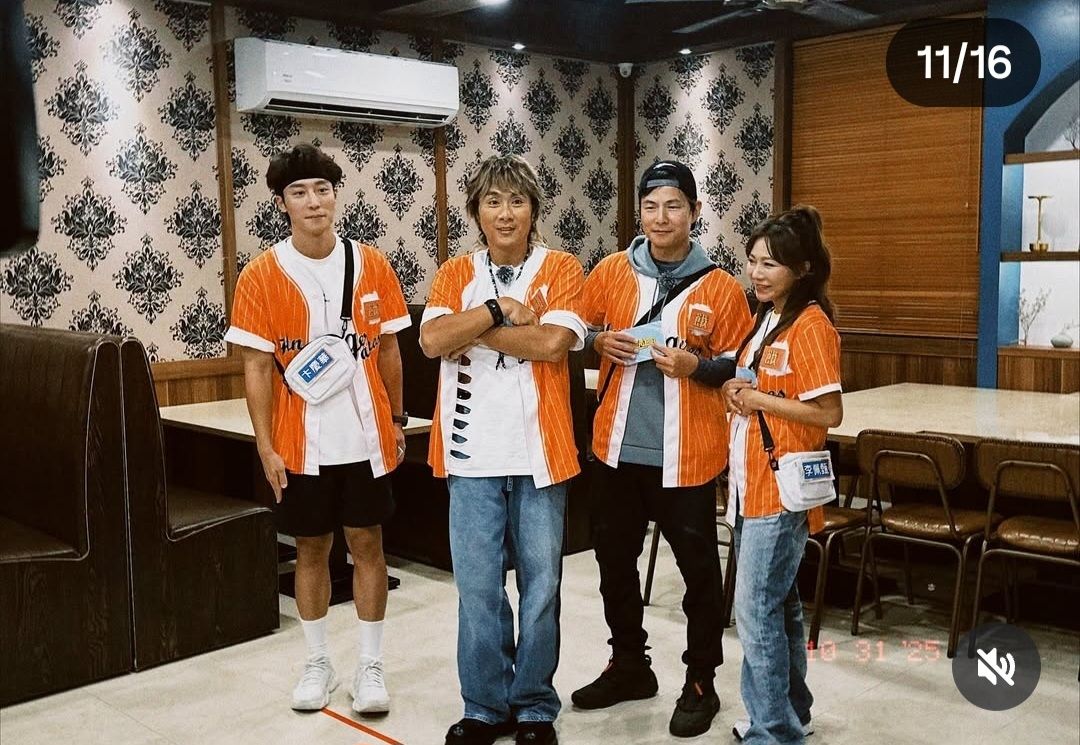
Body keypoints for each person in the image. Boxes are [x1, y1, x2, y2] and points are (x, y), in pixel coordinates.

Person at [225, 144, 410, 714]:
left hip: (366, 437)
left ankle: (370, 665)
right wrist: (265, 447)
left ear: (336, 196)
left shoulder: (372, 264)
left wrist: (397, 420)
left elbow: (389, 350)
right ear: (282, 203)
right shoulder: (261, 275)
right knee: (311, 549)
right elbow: (256, 367)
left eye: (323, 190)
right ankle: (317, 661)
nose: (314, 202)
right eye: (300, 192)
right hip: (299, 441)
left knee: (368, 545)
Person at [572, 160, 752, 738]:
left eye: (674, 205)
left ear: (694, 212)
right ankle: (629, 664)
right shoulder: (611, 271)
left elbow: (741, 366)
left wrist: (697, 366)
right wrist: (599, 339)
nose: (661, 217)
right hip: (616, 449)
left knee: (699, 576)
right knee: (613, 565)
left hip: (688, 455)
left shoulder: (721, 286)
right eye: (650, 206)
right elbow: (573, 328)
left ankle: (701, 680)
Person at [420, 154, 585, 745]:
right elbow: (432, 339)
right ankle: (485, 705)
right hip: (470, 456)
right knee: (478, 590)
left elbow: (552, 344)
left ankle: (535, 704)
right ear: (477, 212)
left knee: (541, 588)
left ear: (534, 211)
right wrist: (498, 309)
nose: (506, 213)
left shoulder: (562, 267)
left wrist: (474, 329)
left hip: (541, 453)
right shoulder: (454, 272)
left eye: (517, 201)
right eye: (493, 201)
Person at [721, 205, 843, 744]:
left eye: (770, 264)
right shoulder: (767, 318)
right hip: (751, 481)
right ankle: (792, 712)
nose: (757, 272)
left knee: (754, 610)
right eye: (752, 261)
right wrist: (739, 390)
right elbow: (762, 384)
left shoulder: (811, 326)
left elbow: (828, 413)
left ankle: (773, 731)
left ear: (803, 269)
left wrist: (760, 400)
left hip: (779, 488)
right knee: (779, 603)